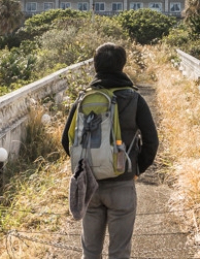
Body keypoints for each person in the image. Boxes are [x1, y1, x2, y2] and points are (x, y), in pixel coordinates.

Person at [61, 43, 159, 259]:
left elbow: (66, 141)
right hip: (122, 183)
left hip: (90, 185)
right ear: (122, 65)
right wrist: (136, 168)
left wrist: (88, 164)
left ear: (95, 66)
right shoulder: (134, 99)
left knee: (90, 251)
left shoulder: (83, 98)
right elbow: (151, 141)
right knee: (119, 252)